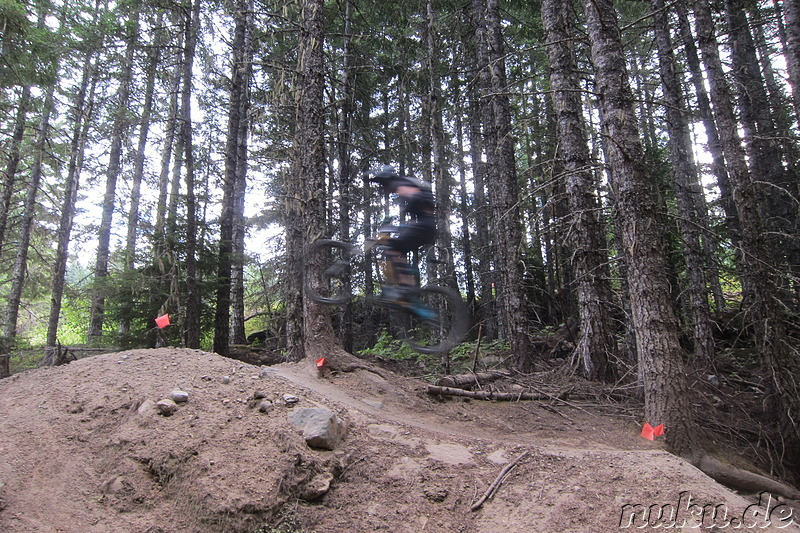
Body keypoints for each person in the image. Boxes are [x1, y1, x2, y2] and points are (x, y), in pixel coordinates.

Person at [368, 165, 437, 318]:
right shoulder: (403, 184)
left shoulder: (400, 184)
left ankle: (406, 286)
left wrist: (402, 220)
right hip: (427, 227)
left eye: (383, 185)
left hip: (425, 226)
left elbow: (415, 196)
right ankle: (407, 290)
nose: (383, 189)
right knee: (395, 248)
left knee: (393, 248)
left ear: (387, 181)